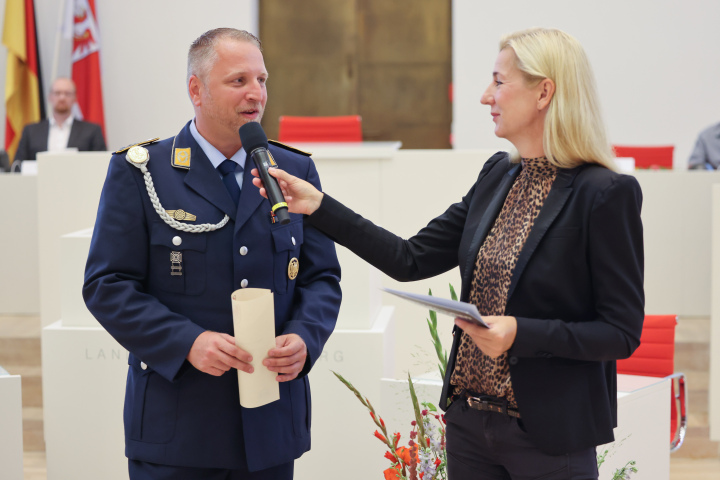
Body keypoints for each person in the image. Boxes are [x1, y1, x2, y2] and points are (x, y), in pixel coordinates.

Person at [253, 27, 644, 480]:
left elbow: (619, 332)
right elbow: (409, 258)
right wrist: (319, 206)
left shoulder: (605, 193)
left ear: (544, 92)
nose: (485, 96)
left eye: (498, 81)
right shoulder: (498, 173)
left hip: (548, 436)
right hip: (470, 426)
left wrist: (521, 332)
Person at [83, 28, 341, 479]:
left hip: (270, 426)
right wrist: (187, 342)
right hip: (178, 427)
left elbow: (321, 279)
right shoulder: (143, 172)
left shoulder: (294, 170)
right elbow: (107, 286)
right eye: (238, 81)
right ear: (195, 89)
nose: (256, 94)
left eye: (262, 80)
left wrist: (305, 338)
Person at [13, 77, 106, 162]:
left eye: (67, 94)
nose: (62, 98)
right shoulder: (31, 131)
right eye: (57, 93)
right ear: (50, 97)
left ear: (75, 98)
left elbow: (101, 164)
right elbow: (18, 165)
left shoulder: (91, 131)